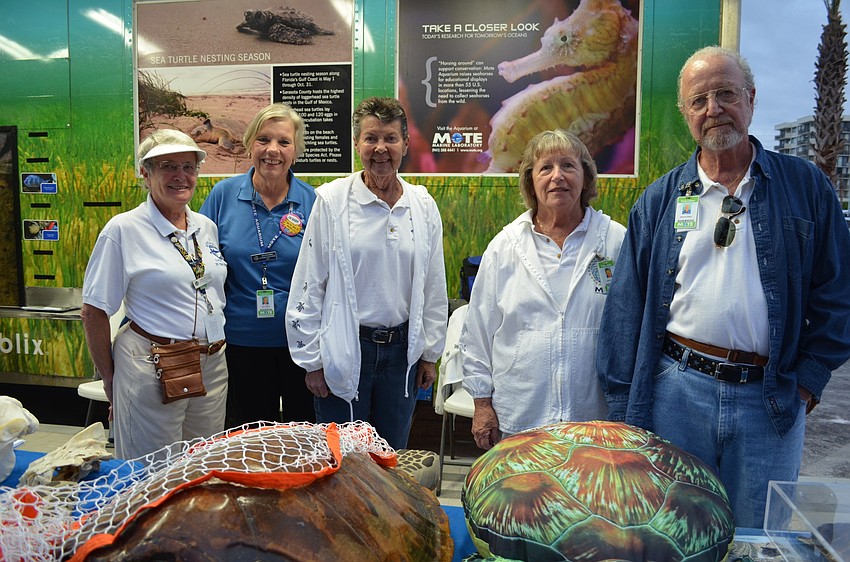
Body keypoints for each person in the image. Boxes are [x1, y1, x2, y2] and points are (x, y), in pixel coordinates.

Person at [597, 46, 850, 528]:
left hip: (770, 399)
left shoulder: (805, 187)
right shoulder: (659, 200)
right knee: (676, 535)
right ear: (685, 114)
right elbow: (625, 309)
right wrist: (623, 408)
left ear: (751, 98)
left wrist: (808, 380)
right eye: (699, 100)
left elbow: (839, 293)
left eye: (725, 94)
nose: (713, 109)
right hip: (676, 397)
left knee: (758, 538)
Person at [285, 97, 448, 449]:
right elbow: (309, 283)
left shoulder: (421, 205)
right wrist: (312, 362)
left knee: (391, 455)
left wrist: (429, 354)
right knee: (345, 459)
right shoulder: (332, 201)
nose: (380, 149)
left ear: (406, 144)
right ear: (357, 143)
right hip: (346, 348)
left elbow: (434, 284)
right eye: (371, 138)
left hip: (402, 353)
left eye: (390, 138)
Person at [462, 129, 625, 450]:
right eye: (545, 168)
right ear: (530, 181)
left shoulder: (615, 240)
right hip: (521, 415)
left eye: (568, 165)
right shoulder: (505, 246)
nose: (557, 176)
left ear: (585, 177)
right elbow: (478, 332)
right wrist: (481, 404)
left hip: (593, 419)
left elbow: (633, 329)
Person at [81, 128, 229, 460]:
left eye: (188, 167)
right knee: (150, 469)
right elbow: (94, 311)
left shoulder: (205, 227)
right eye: (168, 167)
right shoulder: (123, 229)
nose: (181, 176)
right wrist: (110, 380)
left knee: (202, 464)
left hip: (211, 361)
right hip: (152, 364)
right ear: (146, 174)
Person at [200, 103, 316, 426]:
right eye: (263, 139)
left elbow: (324, 277)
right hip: (240, 342)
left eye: (284, 142)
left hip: (299, 345)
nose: (272, 150)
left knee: (301, 437)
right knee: (249, 438)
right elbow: (201, 262)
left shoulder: (312, 201)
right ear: (250, 144)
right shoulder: (223, 196)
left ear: (295, 151)